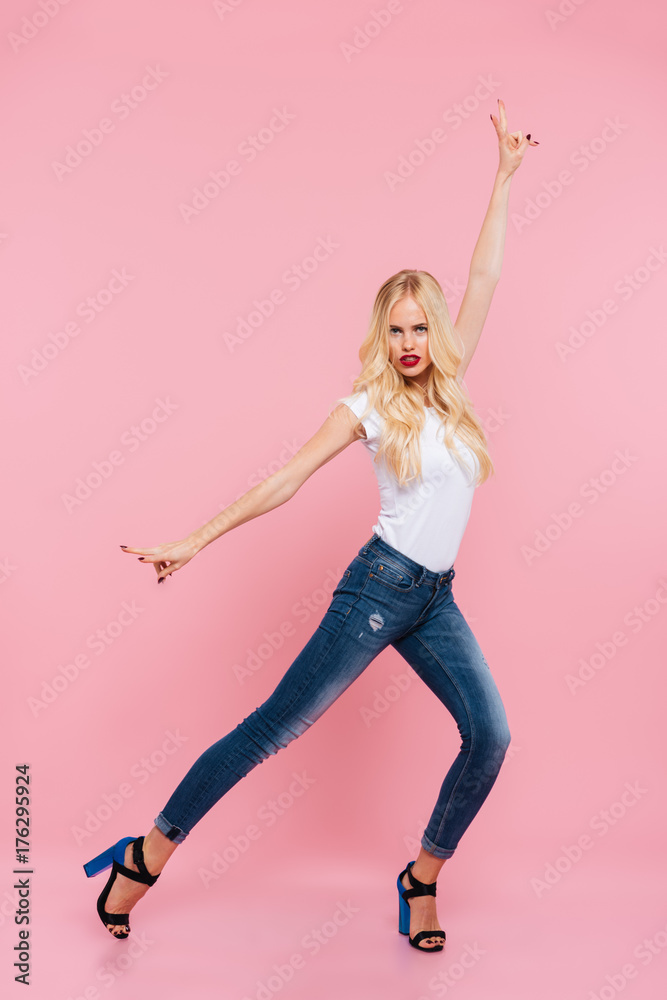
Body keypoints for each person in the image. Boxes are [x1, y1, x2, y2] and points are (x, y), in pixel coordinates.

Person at [84, 98, 537, 952]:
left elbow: (483, 281)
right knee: (269, 731)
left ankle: (421, 879)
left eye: (419, 328)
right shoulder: (366, 404)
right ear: (382, 334)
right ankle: (143, 854)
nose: (409, 341)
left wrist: (503, 178)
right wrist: (192, 540)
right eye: (395, 329)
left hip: (435, 600)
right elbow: (284, 479)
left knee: (491, 734)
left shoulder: (453, 381)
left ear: (435, 333)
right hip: (376, 590)